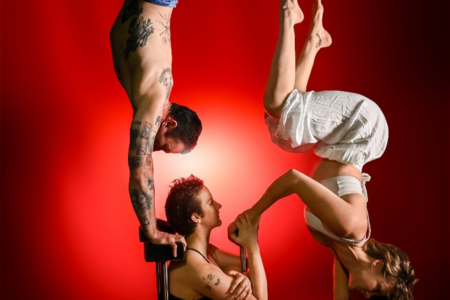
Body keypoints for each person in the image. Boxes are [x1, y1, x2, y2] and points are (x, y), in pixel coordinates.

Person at [230, 1, 417, 299]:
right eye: (378, 290)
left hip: (339, 147)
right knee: (277, 105)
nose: (368, 296)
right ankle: (289, 16)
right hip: (362, 129)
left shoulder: (341, 252)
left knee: (287, 131)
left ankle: (316, 40)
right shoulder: (351, 228)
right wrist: (254, 214)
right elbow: (293, 178)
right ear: (378, 265)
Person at [110, 0, 202, 254]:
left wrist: (150, 222)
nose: (156, 149)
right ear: (169, 123)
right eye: (165, 146)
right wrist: (152, 232)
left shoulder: (147, 95)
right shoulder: (155, 97)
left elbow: (146, 166)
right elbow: (140, 173)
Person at [165, 175, 268, 300]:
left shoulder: (205, 252)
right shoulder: (197, 269)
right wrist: (252, 244)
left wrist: (244, 278)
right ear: (196, 217)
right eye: (210, 202)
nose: (218, 205)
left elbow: (248, 265)